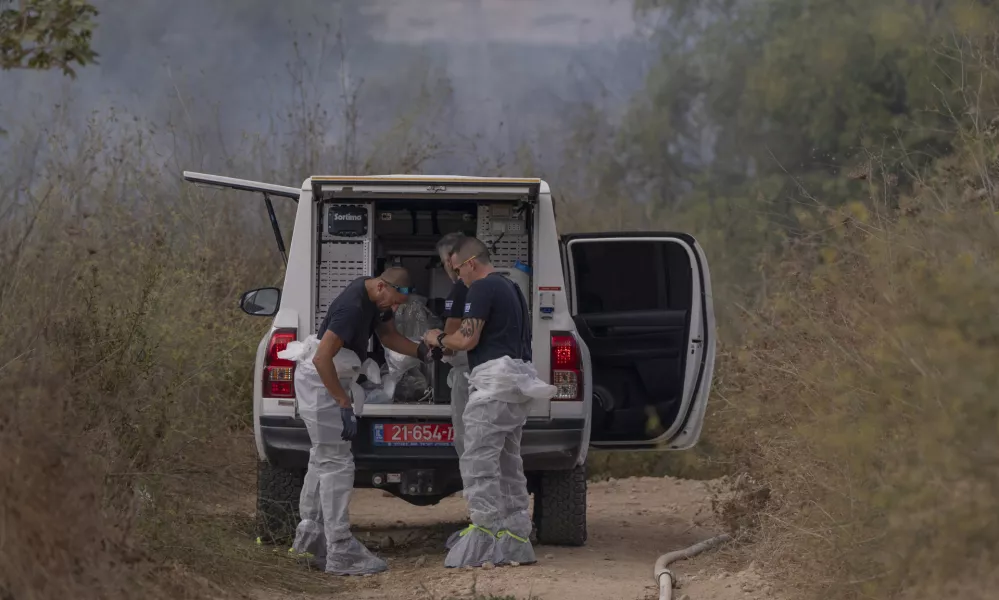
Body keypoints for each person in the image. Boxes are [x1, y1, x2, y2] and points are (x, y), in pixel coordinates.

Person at [423, 237, 556, 568]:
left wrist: (436, 337)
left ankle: (482, 534)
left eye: (458, 271)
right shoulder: (510, 287)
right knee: (509, 463)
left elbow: (467, 338)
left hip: (494, 385)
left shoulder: (480, 288)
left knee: (477, 461)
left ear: (470, 263)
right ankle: (514, 537)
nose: (458, 279)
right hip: (515, 386)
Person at [290, 267, 433, 575]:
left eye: (398, 305)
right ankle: (340, 549)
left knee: (322, 461)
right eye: (393, 302)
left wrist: (422, 350)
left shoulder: (375, 297)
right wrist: (342, 401)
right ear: (382, 286)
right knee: (337, 465)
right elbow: (321, 358)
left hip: (332, 380)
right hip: (321, 384)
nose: (393, 309)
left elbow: (389, 335)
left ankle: (310, 543)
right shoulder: (352, 308)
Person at [435, 232, 471, 458]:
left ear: (450, 260)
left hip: (468, 375)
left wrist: (434, 340)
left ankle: (475, 490)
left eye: (444, 262)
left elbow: (450, 341)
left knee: (467, 439)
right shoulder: (497, 284)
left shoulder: (460, 289)